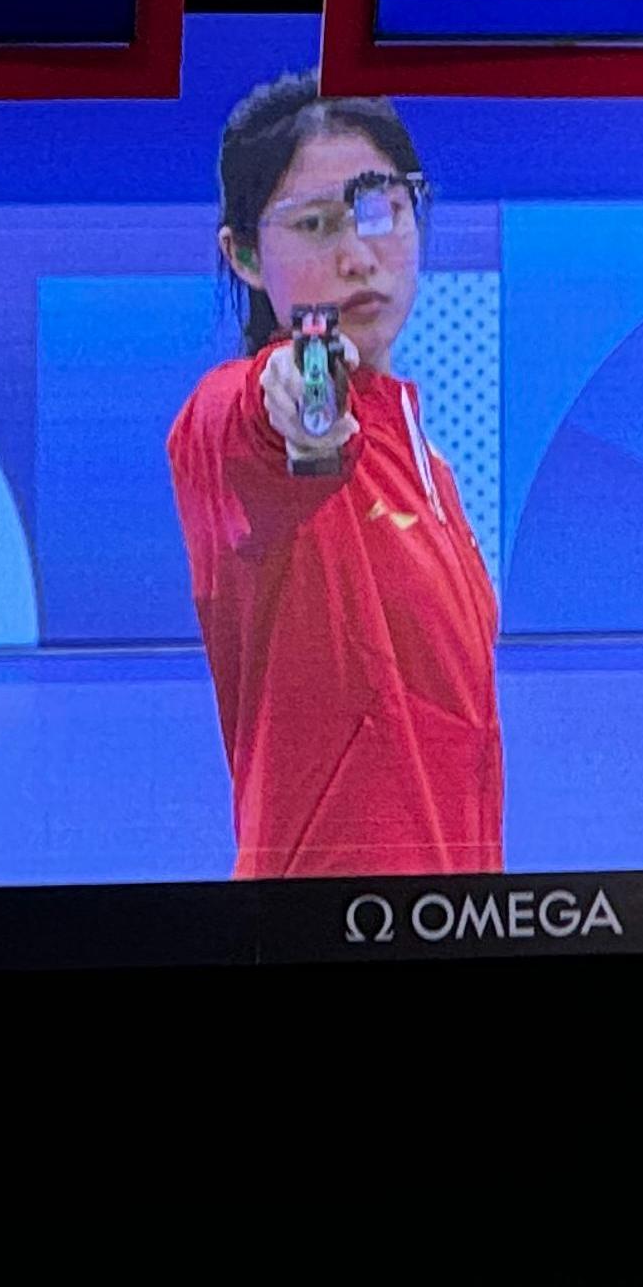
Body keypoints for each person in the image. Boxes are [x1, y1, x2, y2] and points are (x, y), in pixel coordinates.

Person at [167, 72, 504, 881]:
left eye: (381, 208)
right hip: (318, 930)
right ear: (245, 255)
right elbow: (246, 418)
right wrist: (283, 389)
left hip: (454, 923)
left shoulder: (428, 464)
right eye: (314, 224)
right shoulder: (237, 425)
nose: (358, 256)